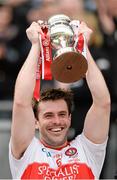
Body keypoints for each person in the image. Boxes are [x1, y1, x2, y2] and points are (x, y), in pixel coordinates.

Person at [9, 20, 111, 179]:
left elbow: (102, 104)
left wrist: (83, 48)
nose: (57, 121)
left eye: (62, 114)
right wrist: (36, 45)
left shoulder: (87, 150)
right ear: (35, 121)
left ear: (70, 118)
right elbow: (21, 103)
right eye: (48, 115)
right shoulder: (27, 152)